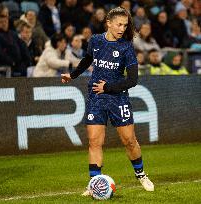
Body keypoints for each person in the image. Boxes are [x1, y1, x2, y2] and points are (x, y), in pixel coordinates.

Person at [61, 7, 154, 195]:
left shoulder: (126, 46)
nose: (122, 28)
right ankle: (94, 183)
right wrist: (73, 75)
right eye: (119, 24)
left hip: (118, 98)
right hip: (96, 97)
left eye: (125, 25)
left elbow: (132, 80)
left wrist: (108, 87)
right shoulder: (95, 40)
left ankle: (141, 174)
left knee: (129, 140)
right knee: (94, 141)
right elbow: (87, 60)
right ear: (108, 23)